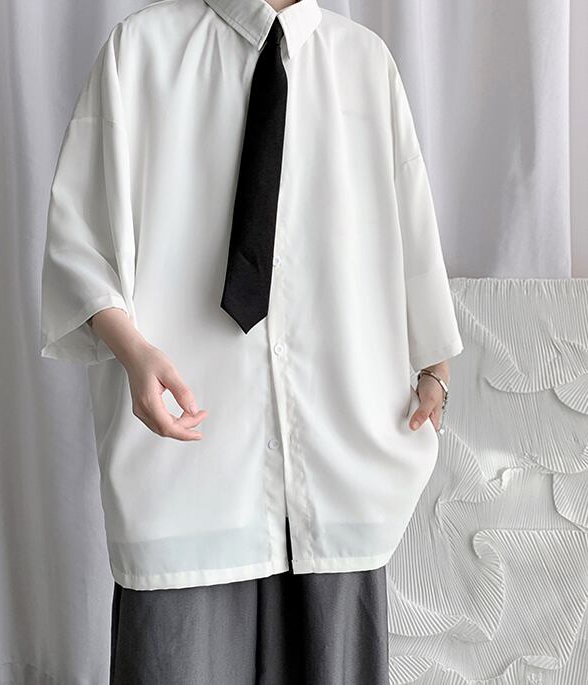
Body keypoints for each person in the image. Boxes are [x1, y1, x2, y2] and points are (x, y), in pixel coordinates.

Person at [40, 0, 464, 682]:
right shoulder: (140, 51)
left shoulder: (364, 62)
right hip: (186, 470)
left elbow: (412, 226)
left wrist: (435, 370)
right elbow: (79, 242)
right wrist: (133, 352)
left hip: (342, 456)